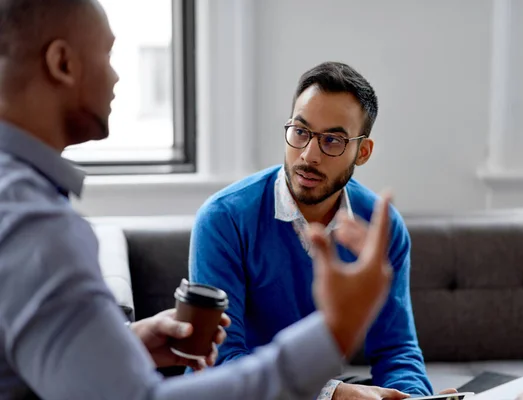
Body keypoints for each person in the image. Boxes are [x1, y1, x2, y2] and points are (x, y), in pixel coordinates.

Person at [0, 0, 397, 399]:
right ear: (62, 63)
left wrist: (128, 341)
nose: (117, 77)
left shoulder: (18, 200)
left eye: (331, 140)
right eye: (107, 54)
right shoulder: (34, 224)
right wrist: (334, 331)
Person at [189, 61, 456, 399]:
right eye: (300, 132)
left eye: (333, 140)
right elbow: (221, 362)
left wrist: (414, 398)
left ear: (363, 152)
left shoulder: (381, 227)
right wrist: (333, 394)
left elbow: (397, 351)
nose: (309, 154)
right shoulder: (223, 219)